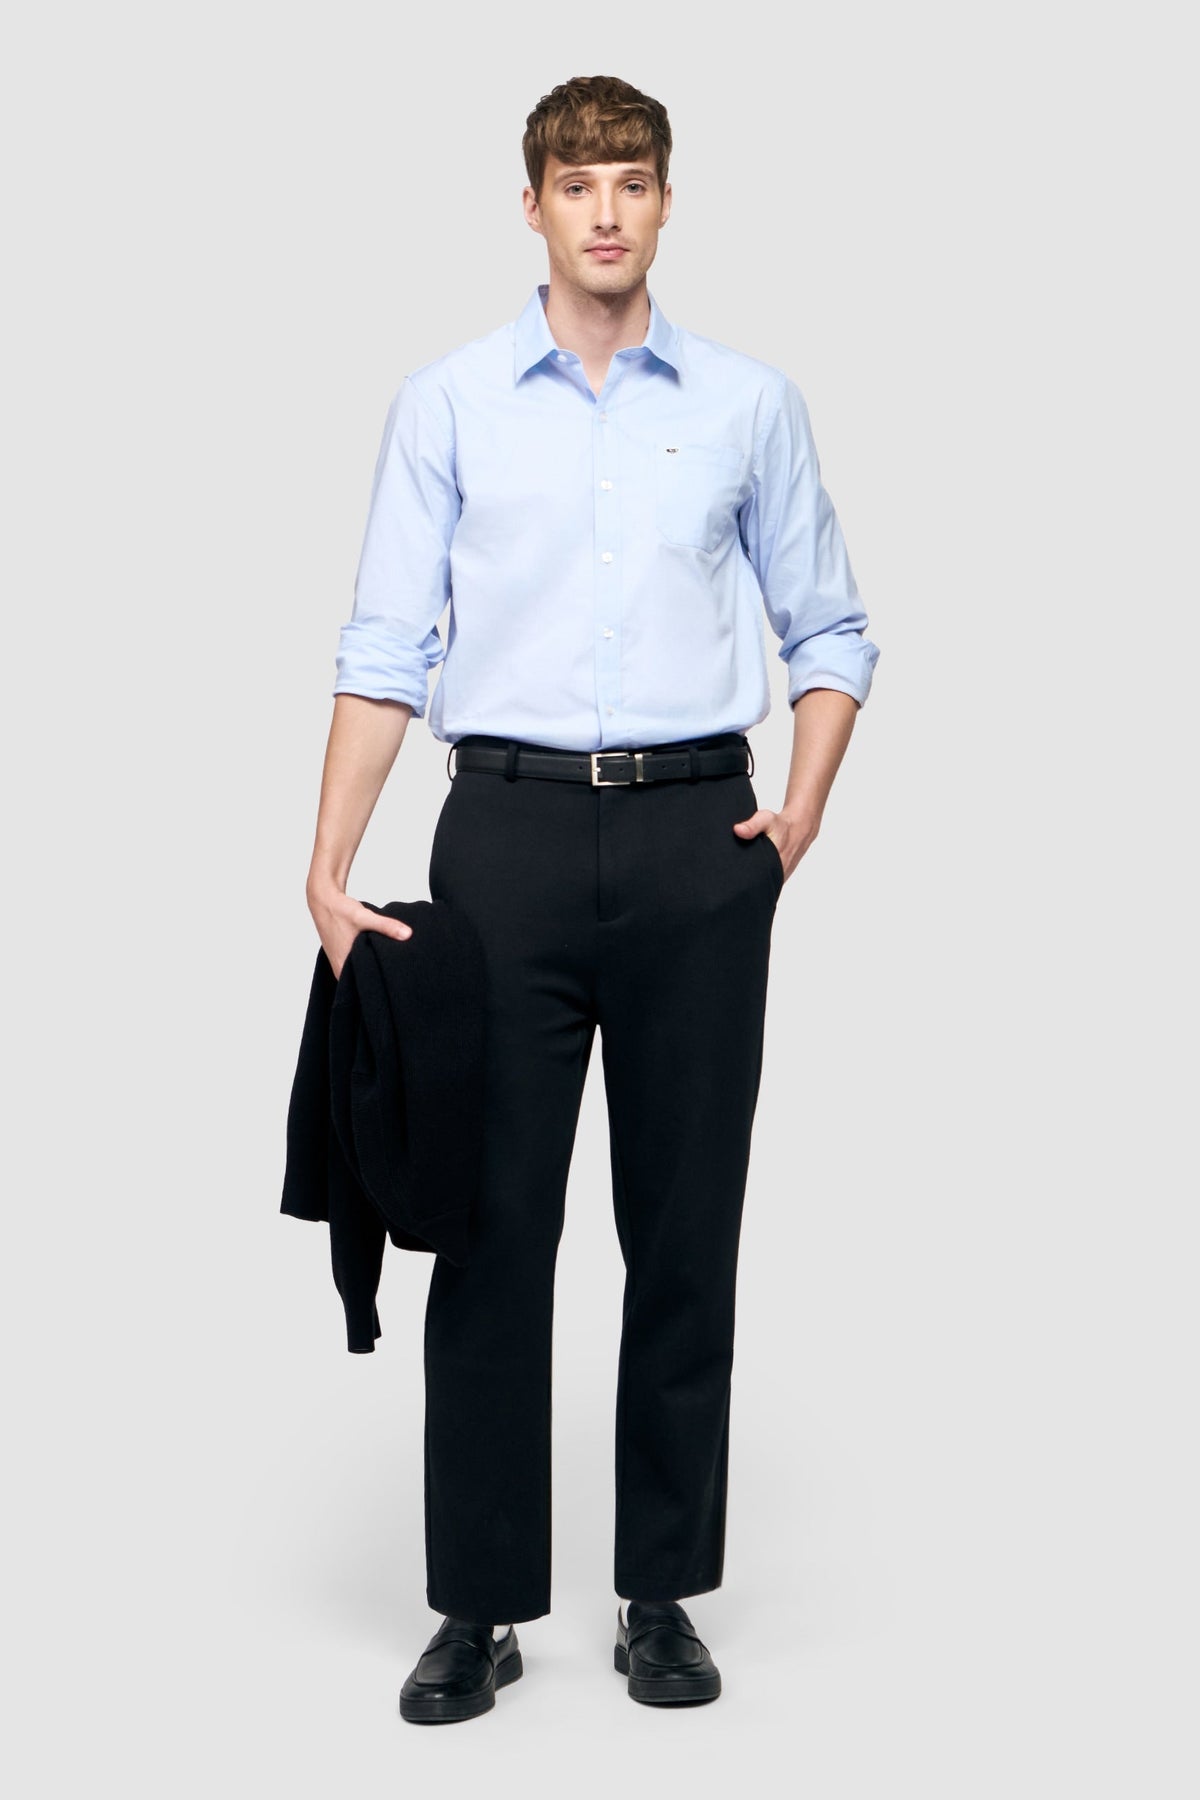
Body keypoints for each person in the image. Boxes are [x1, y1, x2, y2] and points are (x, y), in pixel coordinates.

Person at [304, 73, 879, 1724]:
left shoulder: (752, 405)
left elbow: (831, 632)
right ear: (534, 208)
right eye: (577, 183)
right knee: (491, 1229)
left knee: (685, 1228)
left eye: (631, 181)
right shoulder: (449, 403)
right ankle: (477, 1606)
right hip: (506, 839)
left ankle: (661, 1595)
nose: (606, 211)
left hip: (701, 839)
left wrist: (795, 817)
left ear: (668, 202)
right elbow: (384, 646)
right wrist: (326, 863)